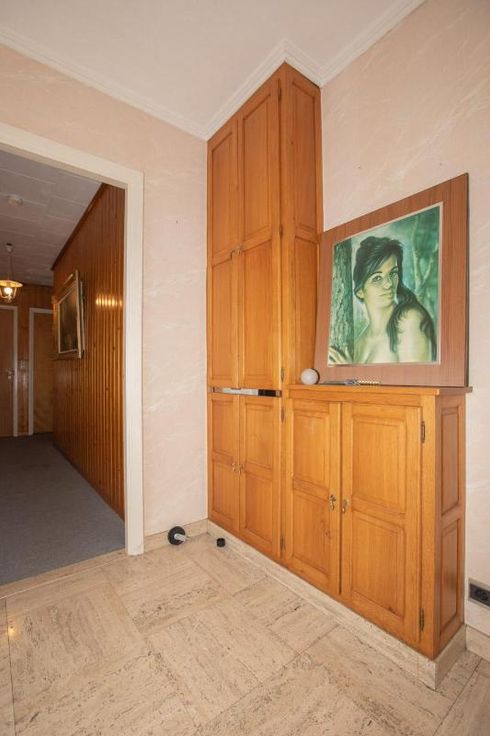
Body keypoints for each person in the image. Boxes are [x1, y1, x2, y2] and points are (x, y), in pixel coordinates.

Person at [350, 236, 436, 364]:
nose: (389, 284)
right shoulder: (358, 343)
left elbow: (419, 376)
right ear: (360, 291)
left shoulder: (409, 320)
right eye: (377, 278)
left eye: (393, 273)